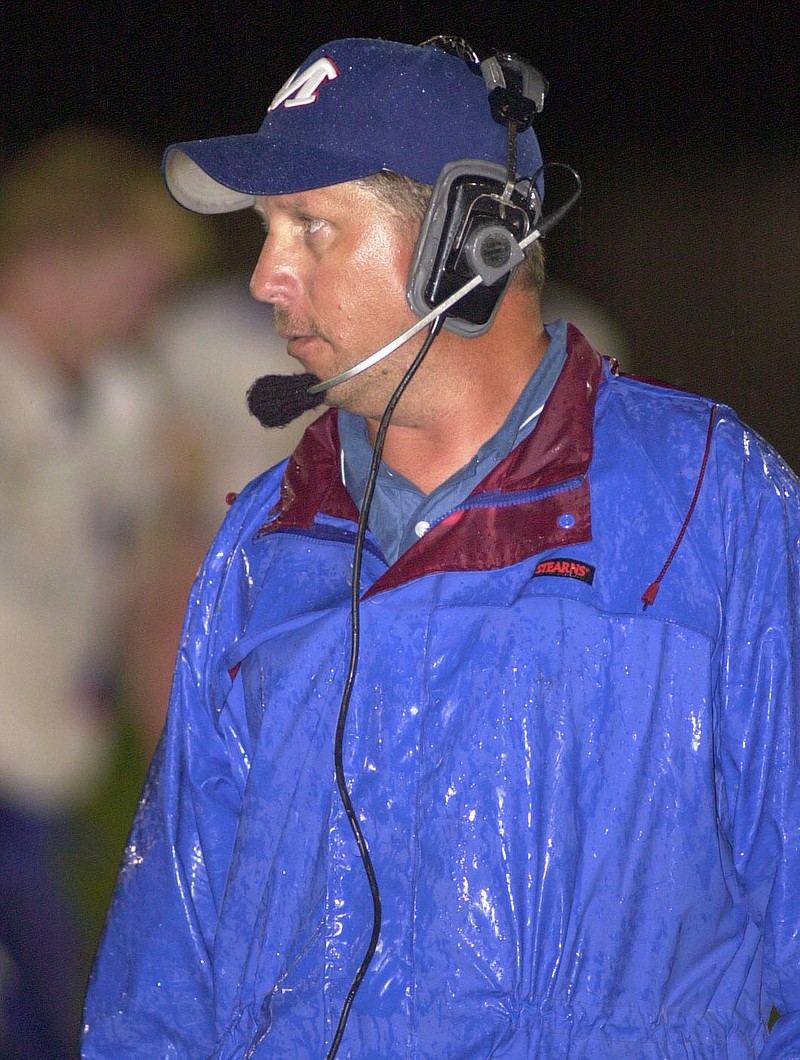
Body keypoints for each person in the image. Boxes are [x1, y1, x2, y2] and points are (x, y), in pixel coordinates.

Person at [82, 38, 800, 1058]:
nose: (262, 277)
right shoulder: (259, 546)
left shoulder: (710, 506)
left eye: (309, 228)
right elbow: (163, 982)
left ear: (469, 244)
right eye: (262, 231)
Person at [0, 125, 210, 1058]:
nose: (142, 311)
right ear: (50, 263)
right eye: (129, 283)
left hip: (56, 766)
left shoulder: (130, 404)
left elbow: (156, 574)